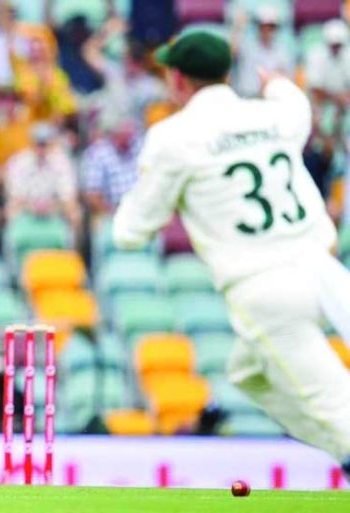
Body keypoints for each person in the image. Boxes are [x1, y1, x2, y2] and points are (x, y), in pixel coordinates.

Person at [112, 30, 350, 478]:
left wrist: (153, 188)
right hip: (323, 268)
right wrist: (276, 82)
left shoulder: (174, 137)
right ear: (226, 73)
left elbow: (129, 232)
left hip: (266, 288)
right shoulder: (274, 115)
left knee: (336, 403)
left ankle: (347, 445)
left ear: (177, 79)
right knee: (248, 372)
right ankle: (344, 450)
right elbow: (297, 104)